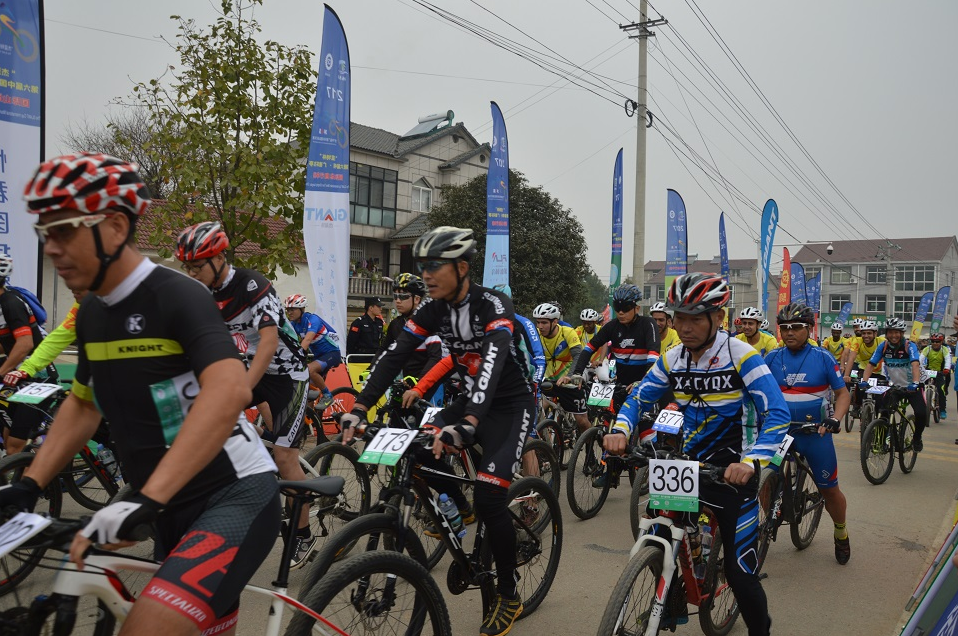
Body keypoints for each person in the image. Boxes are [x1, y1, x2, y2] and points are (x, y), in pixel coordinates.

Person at [0, 153, 278, 636]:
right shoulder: (91, 314)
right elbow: (83, 404)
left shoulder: (176, 295)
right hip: (164, 500)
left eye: (63, 230)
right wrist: (30, 485)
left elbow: (230, 388)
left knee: (146, 628)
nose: (51, 248)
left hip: (233, 494)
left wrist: (148, 496)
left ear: (112, 226)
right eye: (45, 233)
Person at [339, 226, 534, 636]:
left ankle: (508, 589)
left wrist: (468, 424)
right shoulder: (433, 309)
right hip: (468, 403)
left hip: (508, 407)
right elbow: (395, 356)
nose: (425, 274)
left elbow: (493, 365)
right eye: (421, 266)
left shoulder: (494, 305)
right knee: (414, 448)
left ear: (462, 267)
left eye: (434, 266)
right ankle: (458, 507)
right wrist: (359, 405)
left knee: (491, 495)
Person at [607, 272, 786, 636]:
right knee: (660, 528)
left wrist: (752, 462)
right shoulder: (674, 358)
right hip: (688, 467)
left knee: (739, 572)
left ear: (718, 318)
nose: (684, 327)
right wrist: (621, 429)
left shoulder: (743, 356)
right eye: (679, 318)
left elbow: (778, 413)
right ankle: (670, 600)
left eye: (695, 318)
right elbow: (640, 395)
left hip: (735, 473)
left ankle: (760, 630)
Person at [175, 220, 314, 568]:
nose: (191, 274)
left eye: (197, 266)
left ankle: (304, 534)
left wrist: (242, 388)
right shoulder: (201, 293)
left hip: (287, 375)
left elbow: (268, 341)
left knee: (284, 457)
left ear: (219, 258)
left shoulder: (253, 284)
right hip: (249, 368)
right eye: (187, 267)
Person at [765, 303, 852, 565]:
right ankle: (771, 515)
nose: (789, 332)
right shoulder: (771, 358)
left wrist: (835, 419)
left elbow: (842, 395)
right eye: (784, 328)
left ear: (809, 329)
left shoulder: (823, 357)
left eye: (796, 327)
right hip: (781, 432)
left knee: (829, 490)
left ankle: (841, 531)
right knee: (764, 478)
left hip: (814, 433)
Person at [0, 254, 49, 455]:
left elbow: (25, 344)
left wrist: (1, 370)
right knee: (7, 438)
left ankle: (37, 482)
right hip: (20, 377)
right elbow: (7, 344)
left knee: (13, 447)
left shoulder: (11, 303)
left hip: (36, 378)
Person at [374, 273, 444, 398]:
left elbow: (435, 357)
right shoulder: (396, 324)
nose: (398, 300)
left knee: (419, 416)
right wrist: (371, 369)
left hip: (428, 381)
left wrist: (419, 380)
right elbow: (384, 350)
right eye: (395, 296)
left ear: (417, 299)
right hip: (405, 382)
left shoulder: (429, 322)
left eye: (403, 296)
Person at [861, 317, 926, 451]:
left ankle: (917, 438)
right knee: (883, 412)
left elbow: (915, 364)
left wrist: (915, 383)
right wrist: (864, 381)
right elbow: (871, 365)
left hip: (912, 386)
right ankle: (882, 442)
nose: (893, 335)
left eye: (897, 332)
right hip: (894, 386)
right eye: (890, 332)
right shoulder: (883, 346)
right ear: (887, 333)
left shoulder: (910, 346)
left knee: (921, 413)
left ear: (902, 333)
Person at [534, 301, 591, 435]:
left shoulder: (568, 332)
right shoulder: (536, 334)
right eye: (538, 322)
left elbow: (578, 355)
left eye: (544, 323)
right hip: (549, 380)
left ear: (555, 322)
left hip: (569, 381)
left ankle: (590, 453)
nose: (540, 326)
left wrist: (569, 377)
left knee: (582, 421)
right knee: (536, 416)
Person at [283, 293, 340, 406]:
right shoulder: (294, 324)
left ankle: (328, 395)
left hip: (332, 354)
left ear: (302, 309)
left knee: (309, 370)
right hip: (318, 357)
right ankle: (311, 420)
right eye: (288, 309)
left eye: (292, 309)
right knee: (306, 394)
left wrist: (296, 356)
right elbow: (284, 339)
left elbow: (307, 340)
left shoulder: (313, 319)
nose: (289, 312)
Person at [920, 333, 952, 420]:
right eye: (933, 341)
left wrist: (946, 368)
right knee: (921, 388)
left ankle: (942, 410)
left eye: (937, 341)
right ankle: (923, 407)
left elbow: (948, 359)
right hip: (928, 371)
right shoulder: (927, 349)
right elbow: (921, 358)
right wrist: (919, 367)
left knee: (941, 390)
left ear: (941, 342)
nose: (935, 343)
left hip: (940, 372)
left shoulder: (944, 349)